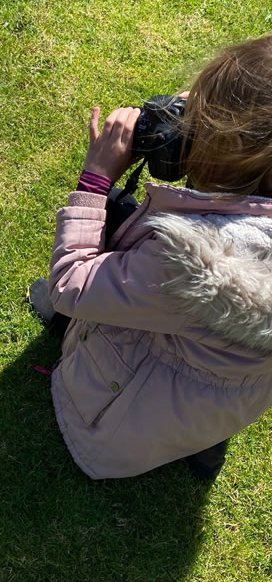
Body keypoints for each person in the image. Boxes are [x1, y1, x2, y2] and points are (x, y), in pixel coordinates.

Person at [39, 34, 272, 480]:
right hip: (216, 401)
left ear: (230, 155)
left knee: (103, 241)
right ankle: (205, 447)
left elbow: (71, 283)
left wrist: (95, 181)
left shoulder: (198, 264)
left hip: (112, 429)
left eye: (198, 122)